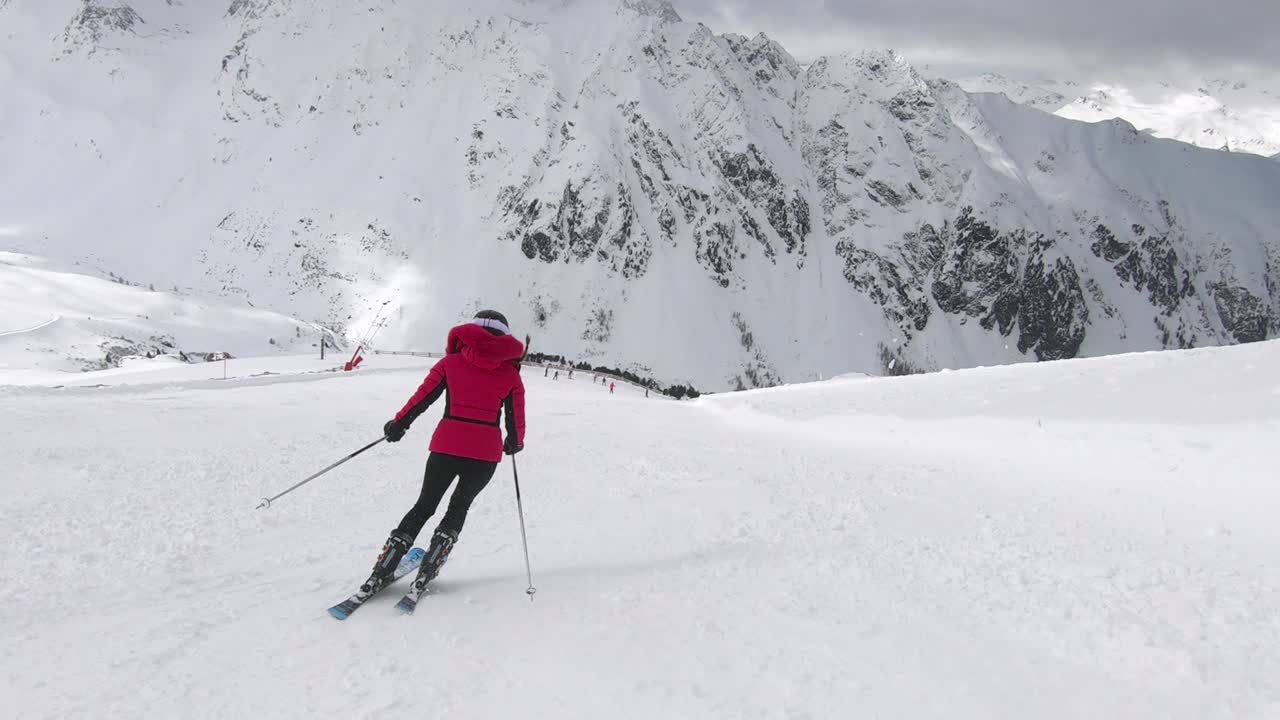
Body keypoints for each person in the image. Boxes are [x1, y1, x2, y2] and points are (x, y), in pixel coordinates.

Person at [355, 309, 526, 602]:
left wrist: (398, 425)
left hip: (446, 446)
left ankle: (383, 569)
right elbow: (516, 422)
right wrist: (514, 442)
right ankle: (429, 567)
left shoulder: (450, 363)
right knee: (458, 507)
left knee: (424, 506)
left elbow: (422, 398)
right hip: (485, 454)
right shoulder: (510, 376)